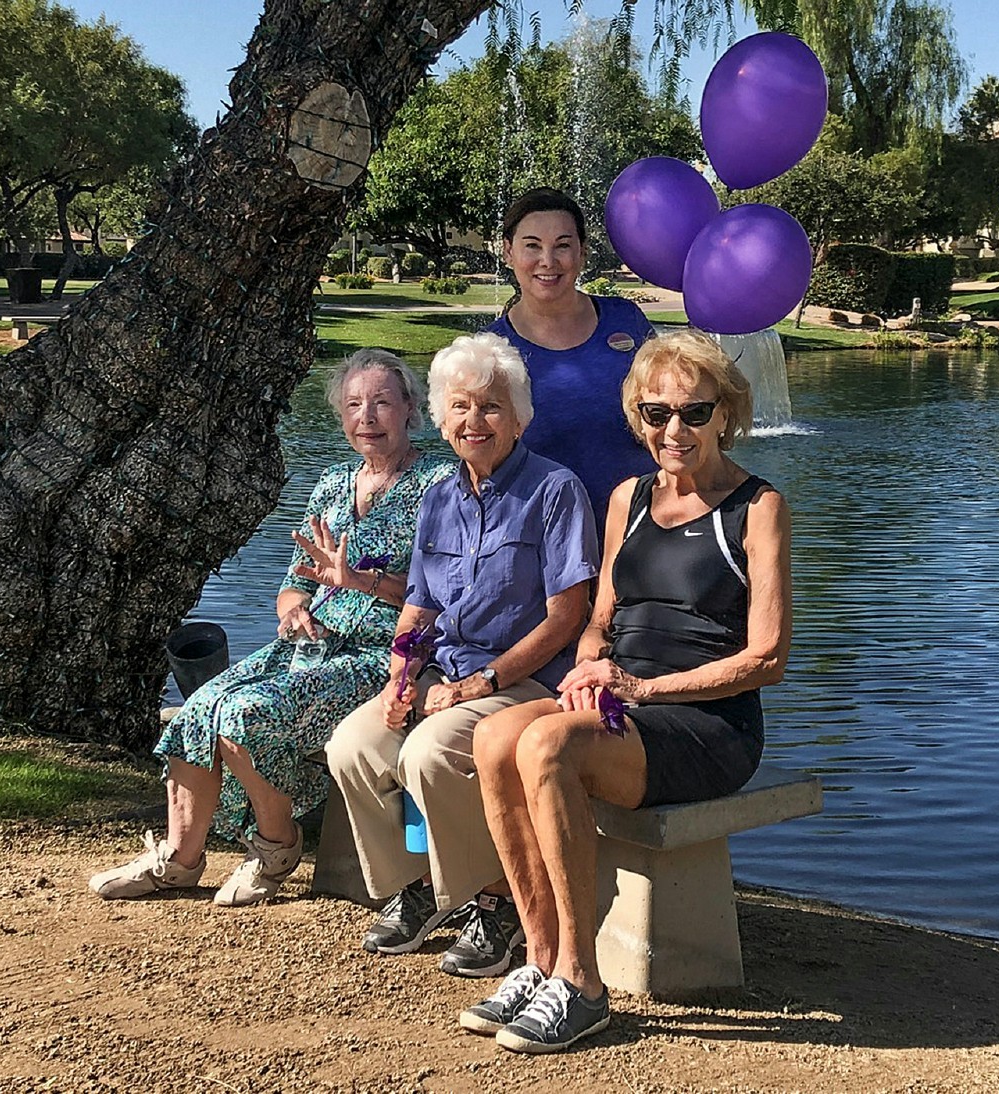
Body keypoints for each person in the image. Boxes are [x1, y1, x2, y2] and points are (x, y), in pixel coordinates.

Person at [460, 329, 793, 1053]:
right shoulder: (626, 499)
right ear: (638, 417)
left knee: (545, 743)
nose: (673, 430)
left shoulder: (758, 507)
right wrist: (588, 666)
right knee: (492, 738)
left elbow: (766, 658)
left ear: (726, 414)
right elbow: (599, 622)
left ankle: (582, 984)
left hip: (708, 725)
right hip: (623, 706)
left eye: (694, 413)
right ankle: (540, 958)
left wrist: (643, 688)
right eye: (655, 413)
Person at [89, 349, 452, 907]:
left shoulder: (440, 482)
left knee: (243, 716)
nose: (367, 417)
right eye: (354, 405)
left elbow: (449, 591)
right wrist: (292, 609)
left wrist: (360, 581)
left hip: (382, 654)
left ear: (409, 409)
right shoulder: (332, 483)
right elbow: (294, 581)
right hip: (308, 647)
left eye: (382, 402)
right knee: (197, 708)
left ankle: (276, 847)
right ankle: (179, 860)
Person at [324, 331, 598, 978]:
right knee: (354, 747)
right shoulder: (441, 496)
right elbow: (419, 606)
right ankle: (421, 887)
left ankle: (498, 901)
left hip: (524, 682)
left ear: (521, 417)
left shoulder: (555, 492)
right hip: (443, 672)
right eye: (460, 407)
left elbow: (566, 619)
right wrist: (400, 674)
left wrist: (479, 684)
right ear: (441, 417)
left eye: (491, 407)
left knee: (431, 751)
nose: (474, 421)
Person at [487, 187, 655, 522]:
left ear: (582, 252)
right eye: (532, 246)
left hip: (641, 535)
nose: (548, 261)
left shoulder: (626, 320)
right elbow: (478, 456)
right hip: (543, 545)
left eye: (563, 245)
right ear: (508, 252)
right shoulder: (489, 350)